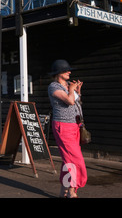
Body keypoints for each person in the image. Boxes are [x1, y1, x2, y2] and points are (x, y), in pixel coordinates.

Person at [48, 59, 87, 198]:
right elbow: (69, 101)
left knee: (67, 159)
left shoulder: (67, 86)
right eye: (67, 70)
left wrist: (78, 92)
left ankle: (64, 191)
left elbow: (77, 103)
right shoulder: (54, 86)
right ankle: (72, 191)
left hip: (75, 126)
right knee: (75, 160)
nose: (70, 72)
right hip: (63, 126)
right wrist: (71, 91)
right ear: (59, 73)